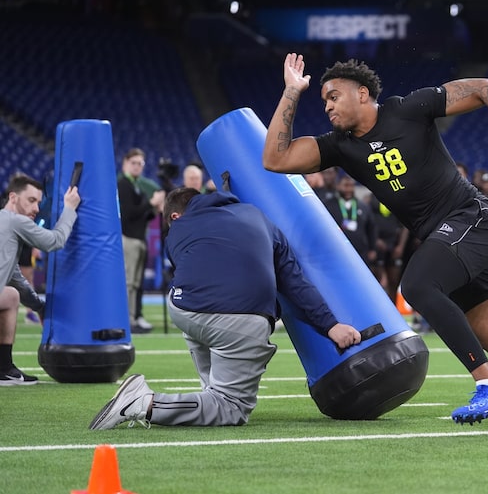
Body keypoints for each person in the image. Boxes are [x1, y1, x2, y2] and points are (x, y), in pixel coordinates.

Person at [261, 53, 488, 425]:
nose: (328, 106)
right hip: (449, 242)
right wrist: (291, 92)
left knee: (417, 285)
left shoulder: (407, 109)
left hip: (474, 219)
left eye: (333, 96)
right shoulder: (339, 145)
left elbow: (485, 87)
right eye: (323, 101)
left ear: (362, 94)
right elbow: (275, 159)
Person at [89, 187, 361, 429]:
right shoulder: (257, 215)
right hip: (240, 319)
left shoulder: (178, 231)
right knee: (231, 409)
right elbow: (293, 281)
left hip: (183, 308)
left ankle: (207, 394)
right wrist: (330, 325)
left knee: (196, 307)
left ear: (174, 216)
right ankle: (143, 403)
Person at [1, 174, 80, 385]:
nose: (36, 208)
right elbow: (55, 241)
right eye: (31, 200)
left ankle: (3, 368)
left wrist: (38, 306)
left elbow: (14, 277)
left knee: (9, 296)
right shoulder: (15, 220)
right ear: (13, 198)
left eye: (38, 202)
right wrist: (70, 208)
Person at [117, 148, 165, 333]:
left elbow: (141, 217)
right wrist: (151, 203)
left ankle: (135, 316)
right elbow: (129, 214)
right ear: (125, 163)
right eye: (134, 163)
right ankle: (128, 320)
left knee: (135, 282)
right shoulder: (124, 184)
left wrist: (152, 210)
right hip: (128, 237)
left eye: (140, 164)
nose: (137, 167)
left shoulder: (135, 185)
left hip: (138, 237)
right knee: (129, 282)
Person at [324, 174, 377, 267]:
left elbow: (371, 228)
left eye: (351, 186)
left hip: (360, 253)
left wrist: (372, 248)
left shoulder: (363, 206)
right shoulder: (328, 205)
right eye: (345, 185)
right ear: (338, 185)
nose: (348, 189)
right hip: (336, 253)